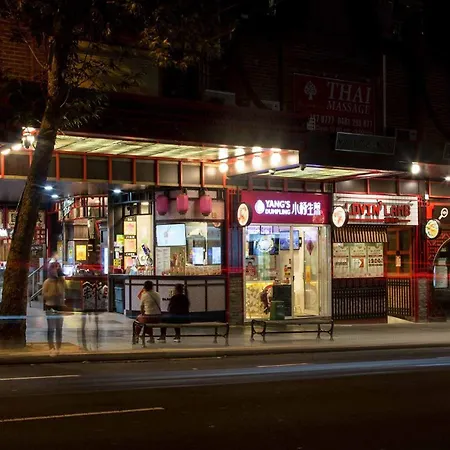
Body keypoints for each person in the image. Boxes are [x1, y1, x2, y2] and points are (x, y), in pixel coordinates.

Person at [43, 262, 65, 356]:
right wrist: (51, 294)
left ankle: (58, 347)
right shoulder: (47, 282)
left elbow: (62, 292)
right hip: (50, 306)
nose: (56, 269)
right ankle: (51, 347)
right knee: (51, 328)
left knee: (59, 328)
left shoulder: (61, 281)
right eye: (54, 267)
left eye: (58, 267)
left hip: (59, 306)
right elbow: (44, 295)